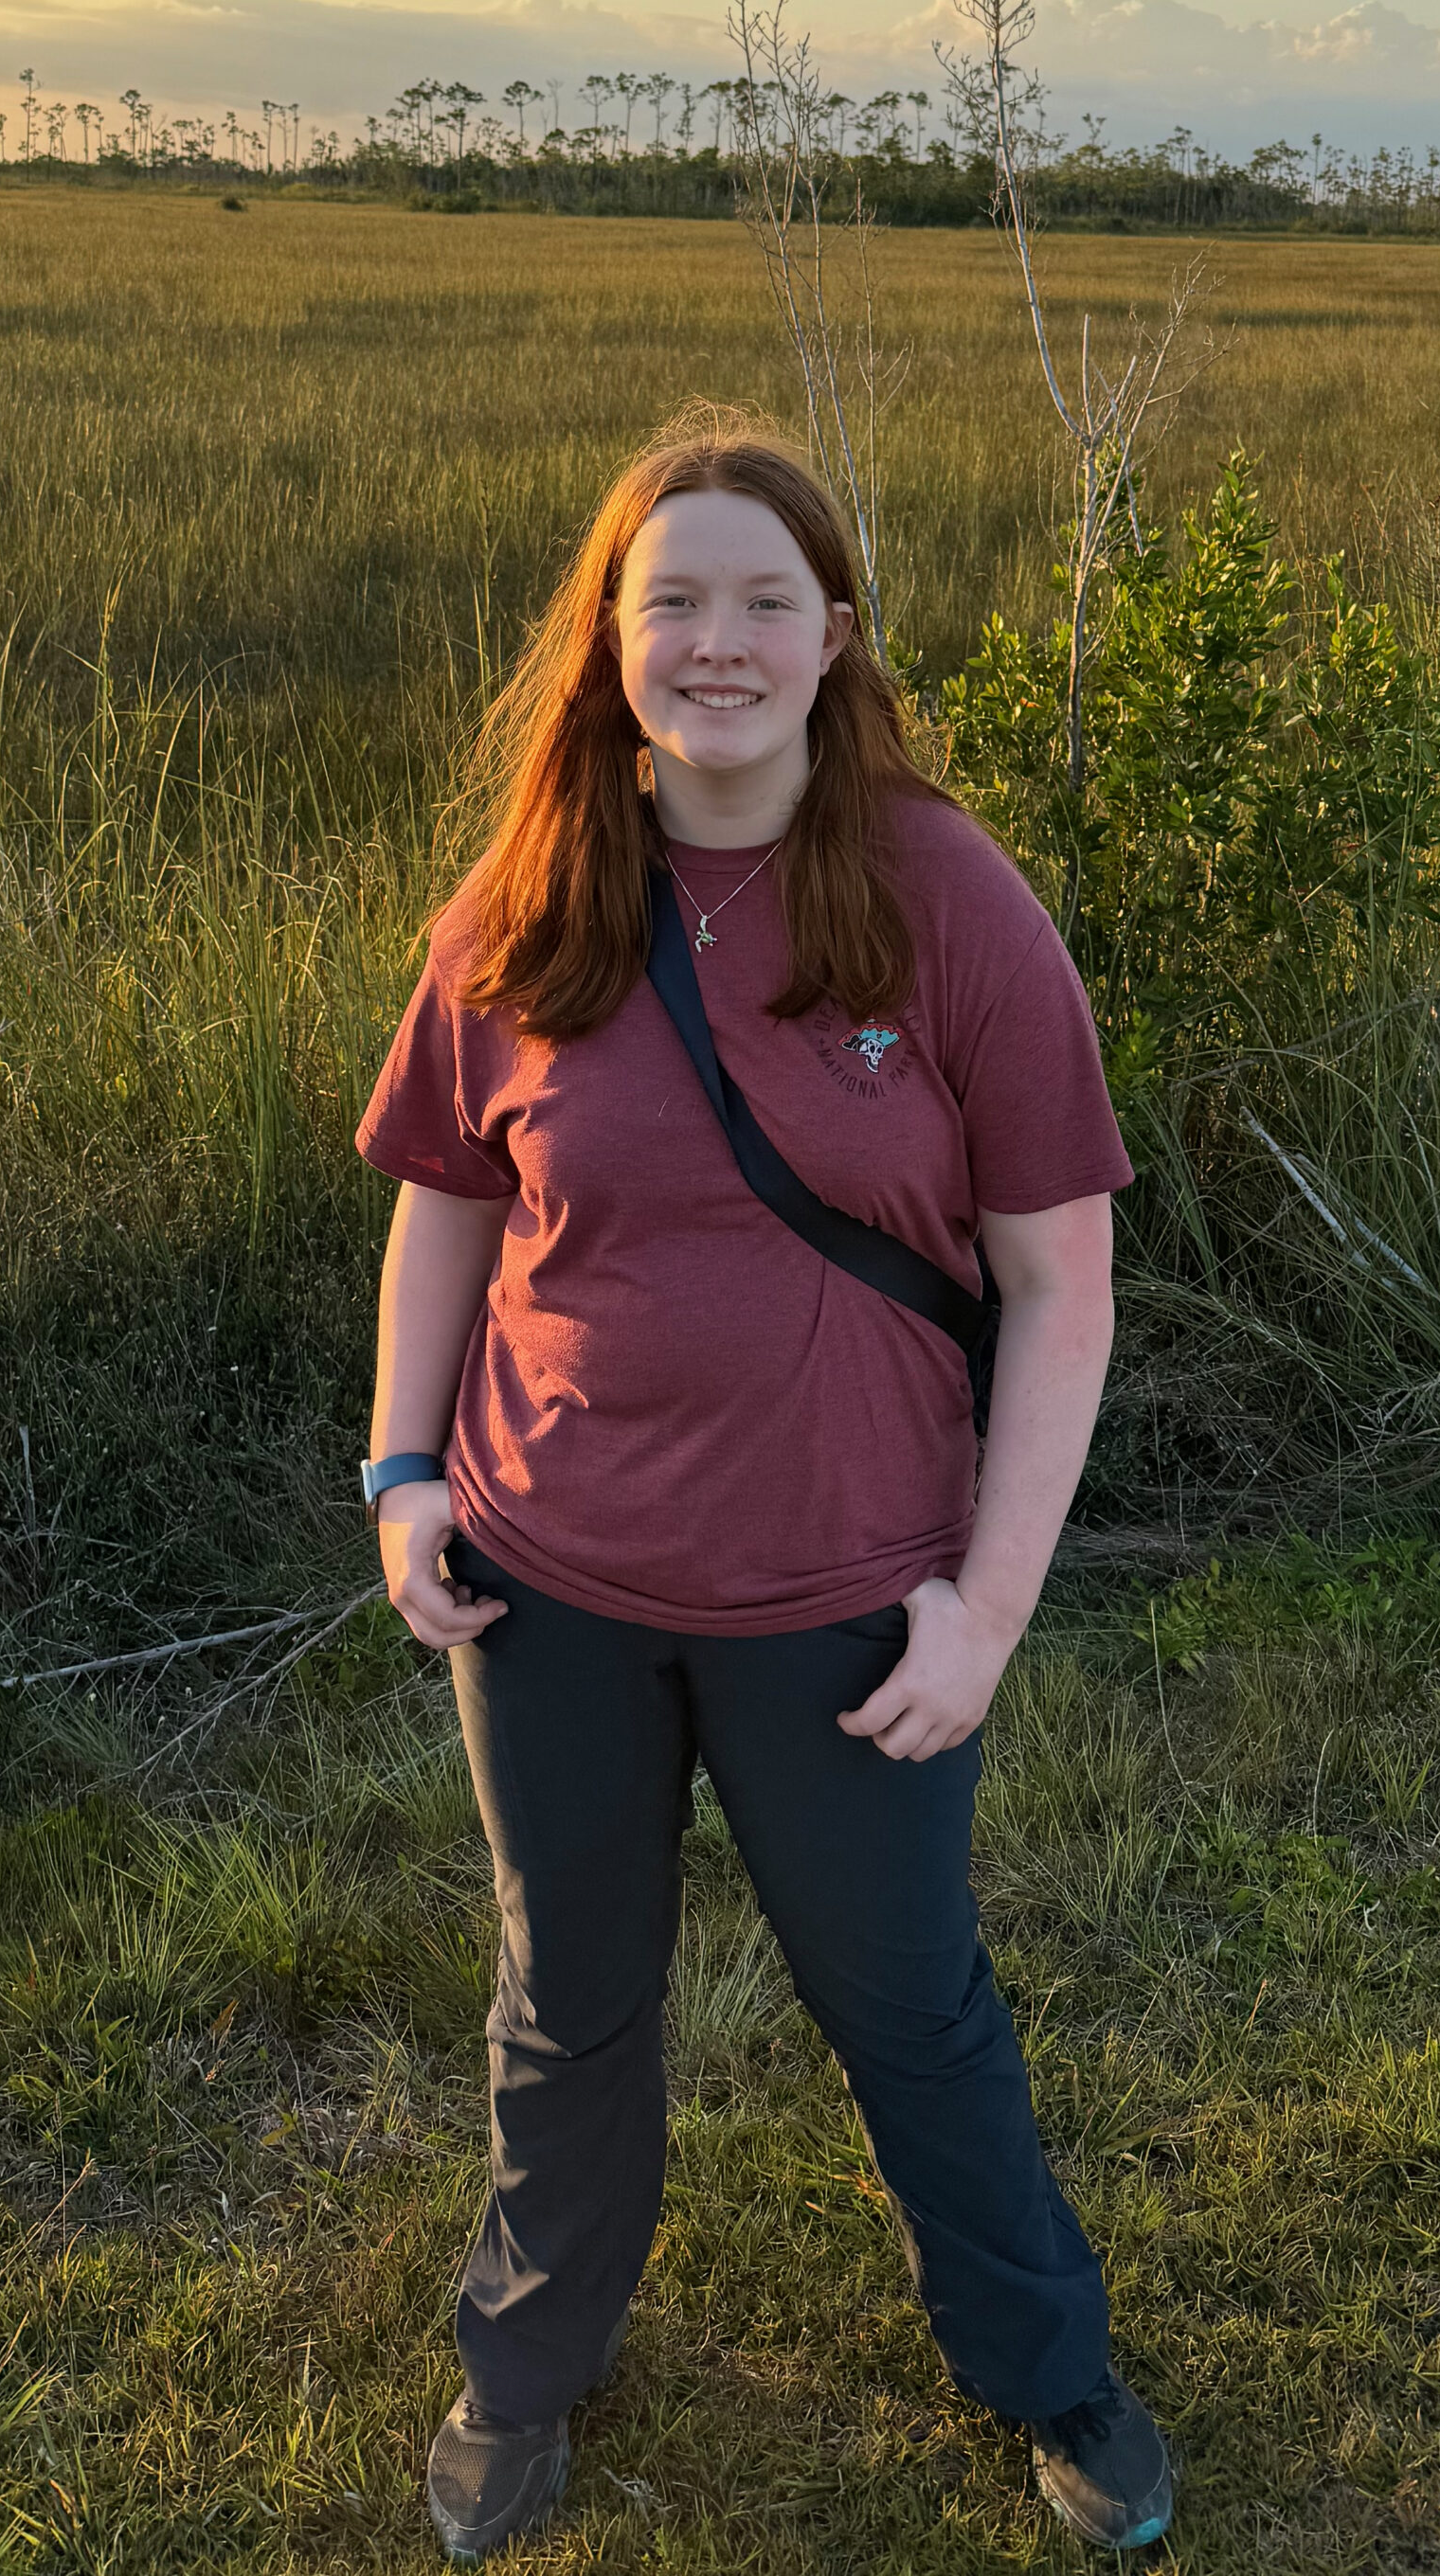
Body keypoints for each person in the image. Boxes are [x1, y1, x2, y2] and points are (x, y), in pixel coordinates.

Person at [356, 421, 1176, 2561]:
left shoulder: (946, 899)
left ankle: (1050, 2368)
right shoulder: (530, 892)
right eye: (672, 600)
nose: (716, 641)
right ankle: (527, 2367)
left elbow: (1058, 1282)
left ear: (837, 637)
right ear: (609, 639)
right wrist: (403, 1464)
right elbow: (447, 1193)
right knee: (570, 1997)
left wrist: (984, 1608)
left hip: (844, 1594)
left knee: (910, 2004)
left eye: (762, 600)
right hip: (550, 1582)